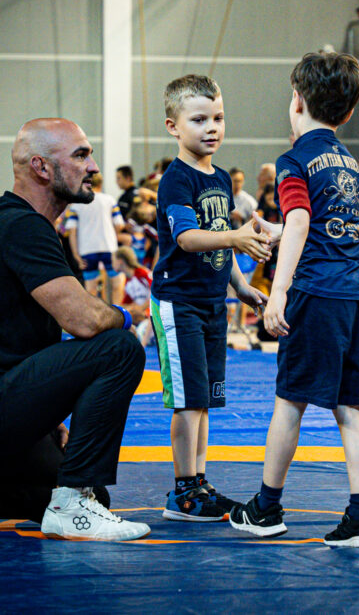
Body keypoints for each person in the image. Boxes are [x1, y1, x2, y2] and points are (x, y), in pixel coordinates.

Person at [0, 117, 151, 542]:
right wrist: (128, 315)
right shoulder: (21, 226)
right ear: (41, 167)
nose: (94, 166)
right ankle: (72, 501)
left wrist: (43, 417)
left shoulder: (14, 225)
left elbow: (7, 343)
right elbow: (84, 321)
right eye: (81, 154)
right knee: (119, 347)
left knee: (94, 492)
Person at [228, 51, 359, 547]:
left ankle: (266, 507)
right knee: (350, 406)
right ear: (347, 113)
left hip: (318, 293)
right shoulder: (349, 162)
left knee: (290, 400)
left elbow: (303, 222)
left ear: (296, 100)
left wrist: (276, 291)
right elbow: (327, 226)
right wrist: (276, 231)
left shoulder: (294, 159)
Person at [150, 74, 269, 523]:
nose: (212, 127)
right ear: (173, 127)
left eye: (218, 117)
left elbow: (221, 242)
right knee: (188, 401)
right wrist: (237, 237)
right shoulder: (177, 180)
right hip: (179, 302)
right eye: (198, 119)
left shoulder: (219, 176)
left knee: (203, 400)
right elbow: (187, 237)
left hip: (212, 302)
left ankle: (199, 482)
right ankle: (183, 491)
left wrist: (239, 286)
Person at [65, 174, 126, 303]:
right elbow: (120, 224)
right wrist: (110, 234)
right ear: (101, 184)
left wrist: (76, 255)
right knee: (117, 283)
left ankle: (95, 318)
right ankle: (119, 313)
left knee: (90, 288)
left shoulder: (77, 204)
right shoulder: (109, 200)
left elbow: (72, 231)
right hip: (109, 247)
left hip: (87, 250)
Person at [113, 246, 153, 347]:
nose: (112, 264)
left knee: (140, 333)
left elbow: (156, 294)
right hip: (141, 317)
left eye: (113, 261)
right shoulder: (128, 282)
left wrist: (141, 308)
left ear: (121, 261)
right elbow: (124, 304)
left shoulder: (143, 273)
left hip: (151, 316)